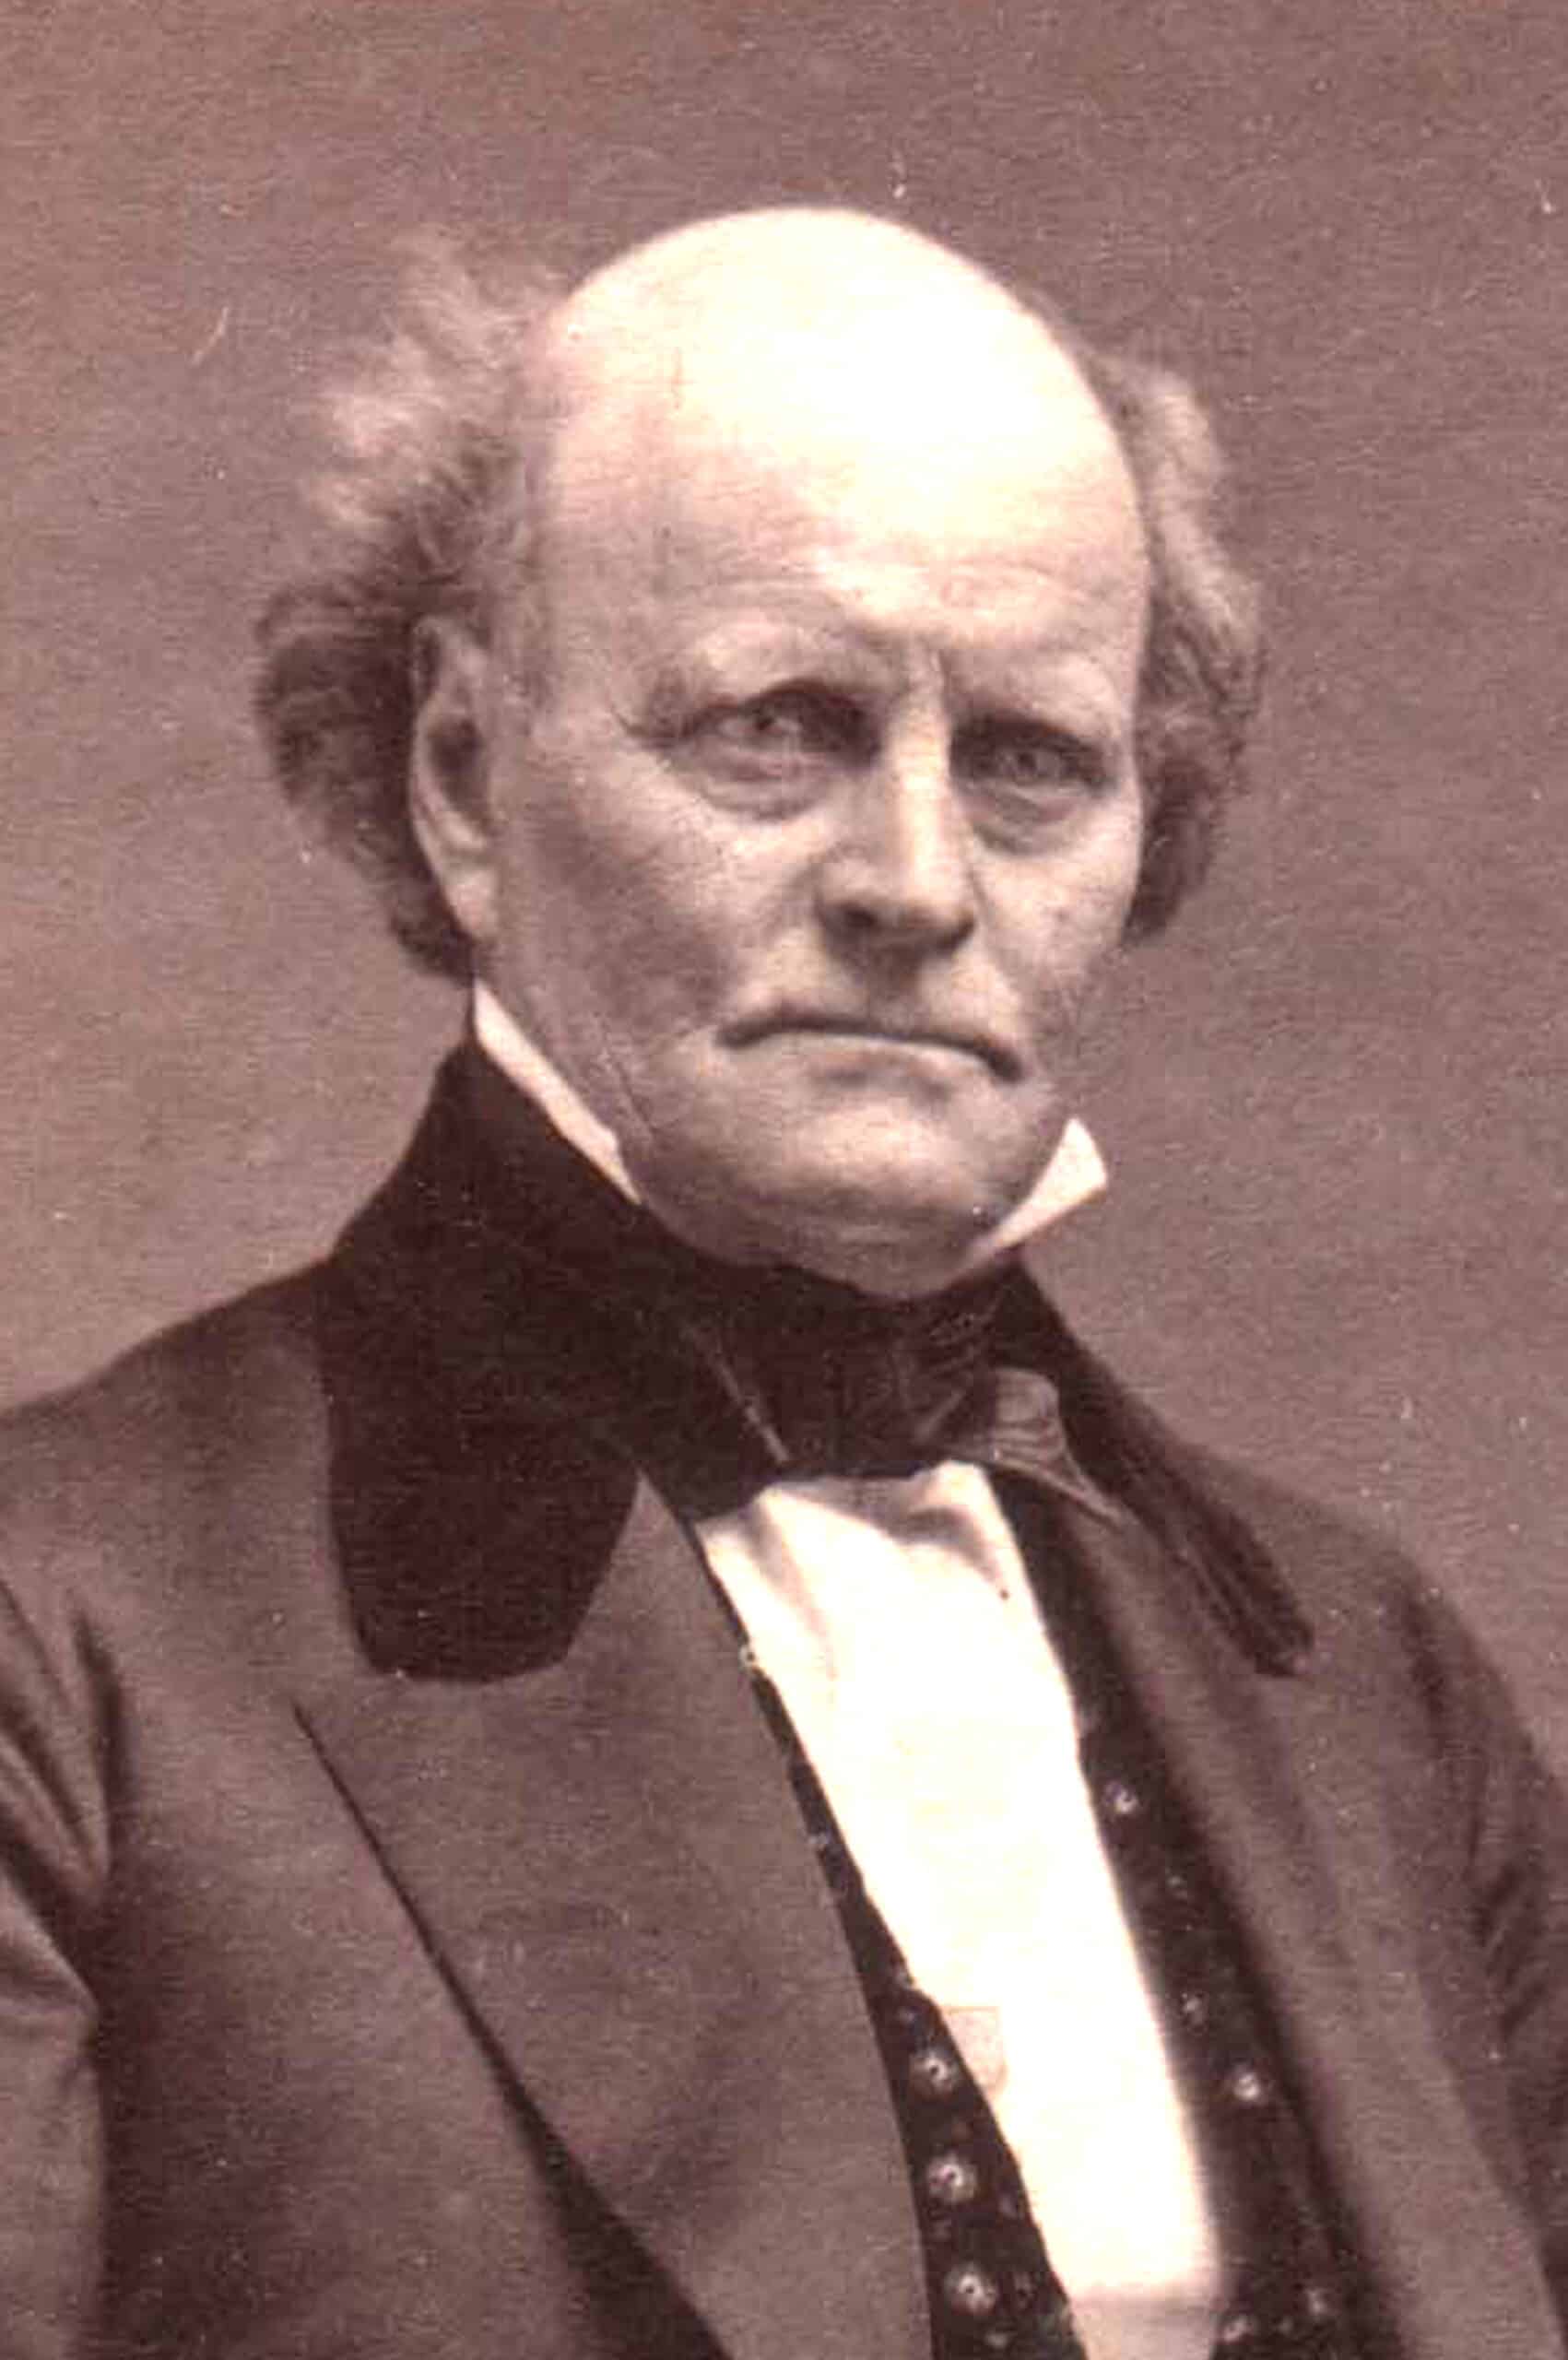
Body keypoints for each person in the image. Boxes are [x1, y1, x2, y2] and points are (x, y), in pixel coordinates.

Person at [2, 206, 1565, 2360]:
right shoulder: (63, 1638)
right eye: (778, 727)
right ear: (463, 774)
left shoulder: (1367, 1678)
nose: (914, 881)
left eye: (1025, 758)